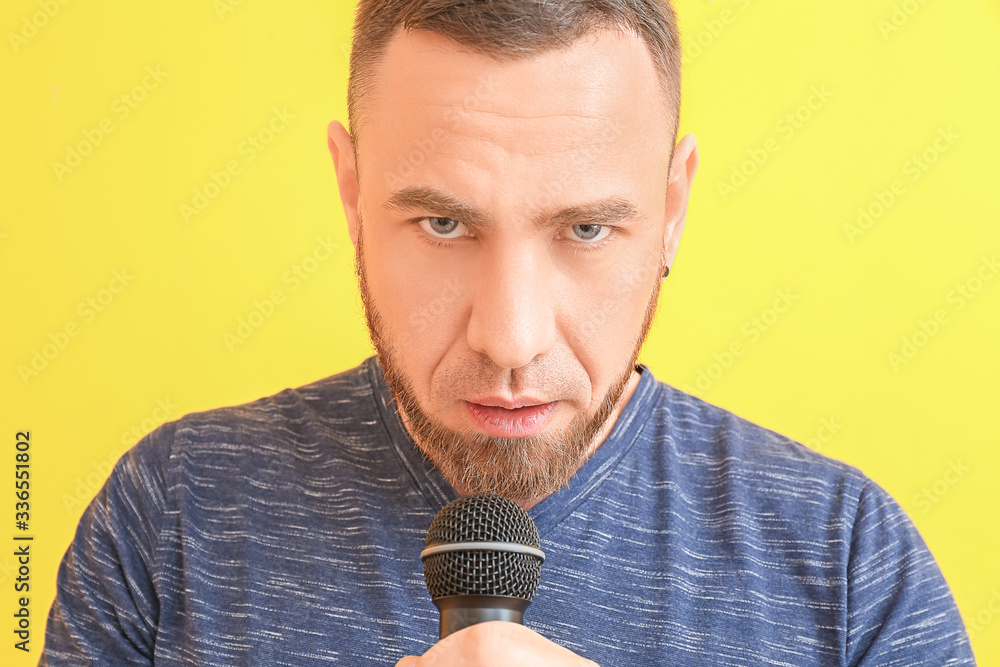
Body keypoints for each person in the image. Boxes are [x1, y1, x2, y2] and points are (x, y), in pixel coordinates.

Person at [40, 1, 975, 665]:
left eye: (586, 229)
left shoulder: (850, 566)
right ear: (351, 190)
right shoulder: (171, 518)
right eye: (444, 224)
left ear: (674, 207)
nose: (510, 339)